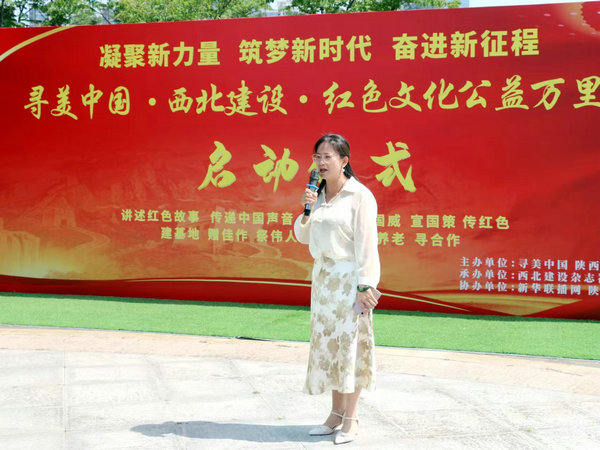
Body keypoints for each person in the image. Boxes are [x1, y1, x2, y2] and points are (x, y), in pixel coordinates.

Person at [294, 134, 381, 445]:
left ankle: (351, 419)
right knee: (329, 348)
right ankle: (334, 414)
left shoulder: (360, 196)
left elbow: (367, 245)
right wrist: (306, 209)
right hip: (324, 283)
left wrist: (365, 285)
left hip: (349, 282)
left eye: (327, 156)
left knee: (350, 349)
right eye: (317, 156)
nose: (321, 162)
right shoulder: (317, 194)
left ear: (344, 161)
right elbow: (303, 237)